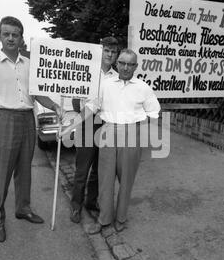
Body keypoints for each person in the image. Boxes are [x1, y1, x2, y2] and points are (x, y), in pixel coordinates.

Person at [0, 16, 65, 242]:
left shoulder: (29, 64)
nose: (11, 38)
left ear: (21, 37)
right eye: (6, 34)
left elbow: (36, 94)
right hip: (2, 119)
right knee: (1, 173)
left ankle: (23, 208)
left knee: (25, 169)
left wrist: (54, 105)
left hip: (27, 119)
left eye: (15, 34)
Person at [61, 49, 160, 234]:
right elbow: (91, 107)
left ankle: (121, 218)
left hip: (132, 135)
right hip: (107, 131)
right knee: (104, 180)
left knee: (126, 180)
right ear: (117, 64)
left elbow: (154, 111)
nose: (125, 67)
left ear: (136, 67)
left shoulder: (143, 87)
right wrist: (70, 125)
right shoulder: (105, 84)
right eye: (122, 63)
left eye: (130, 64)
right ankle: (104, 219)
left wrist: (141, 131)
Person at [69, 36, 119, 223]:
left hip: (107, 126)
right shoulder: (87, 72)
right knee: (82, 170)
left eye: (113, 52)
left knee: (99, 170)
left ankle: (91, 202)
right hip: (87, 124)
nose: (110, 55)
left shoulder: (116, 77)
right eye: (107, 50)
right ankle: (76, 206)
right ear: (100, 51)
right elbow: (75, 103)